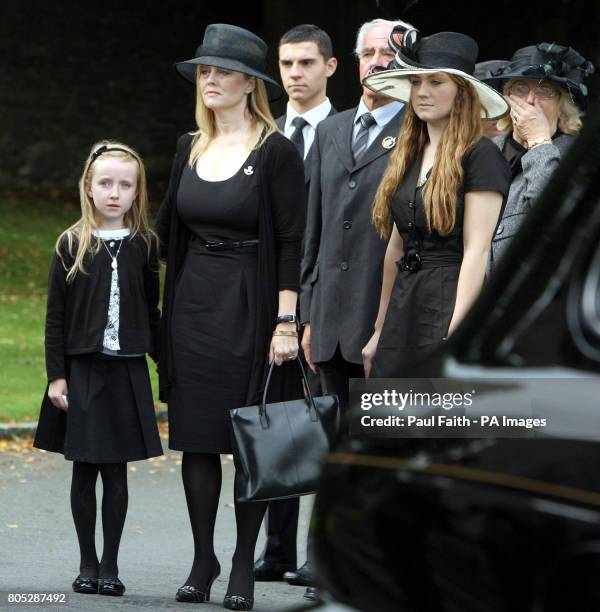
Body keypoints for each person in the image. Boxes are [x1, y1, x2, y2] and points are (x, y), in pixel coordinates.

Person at [155, 24, 305, 610]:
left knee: (249, 439)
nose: (209, 78)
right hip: (192, 305)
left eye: (221, 70)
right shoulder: (188, 144)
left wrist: (286, 322)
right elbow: (168, 229)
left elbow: (292, 240)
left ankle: (244, 560)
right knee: (197, 441)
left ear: (250, 83)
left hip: (252, 302)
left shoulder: (276, 152)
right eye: (204, 70)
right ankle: (203, 559)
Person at [296, 16, 411, 596]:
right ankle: (325, 561)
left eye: (388, 53)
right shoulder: (334, 129)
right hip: (330, 319)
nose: (376, 62)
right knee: (332, 449)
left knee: (373, 453)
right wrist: (307, 313)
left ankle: (364, 567)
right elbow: (315, 234)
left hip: (382, 318)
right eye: (367, 53)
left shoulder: (419, 131)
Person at [33, 141, 163, 597]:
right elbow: (55, 317)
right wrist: (57, 374)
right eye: (105, 183)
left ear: (136, 193)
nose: (114, 192)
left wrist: (166, 368)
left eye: (124, 185)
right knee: (84, 469)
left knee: (116, 471)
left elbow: (152, 312)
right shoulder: (71, 243)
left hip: (126, 373)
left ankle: (111, 564)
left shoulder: (144, 245)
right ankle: (87, 561)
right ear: (88, 188)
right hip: (83, 371)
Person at [362, 31, 511, 377]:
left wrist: (456, 336)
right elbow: (395, 249)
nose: (423, 92)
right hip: (403, 304)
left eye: (436, 82)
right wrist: (379, 329)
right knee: (389, 423)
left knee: (436, 422)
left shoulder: (481, 155)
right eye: (416, 82)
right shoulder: (407, 156)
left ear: (462, 92)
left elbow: (477, 250)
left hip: (447, 302)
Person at [254, 24, 337, 589]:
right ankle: (277, 547)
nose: (295, 74)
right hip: (273, 298)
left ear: (331, 67)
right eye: (286, 64)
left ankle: (319, 550)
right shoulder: (263, 135)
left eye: (306, 63)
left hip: (330, 297)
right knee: (282, 425)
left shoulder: (351, 131)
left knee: (329, 425)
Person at [483, 43, 593, 272]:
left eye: (544, 91)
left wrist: (539, 142)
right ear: (507, 97)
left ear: (563, 105)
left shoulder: (575, 161)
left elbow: (555, 221)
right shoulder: (484, 151)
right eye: (520, 88)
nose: (530, 101)